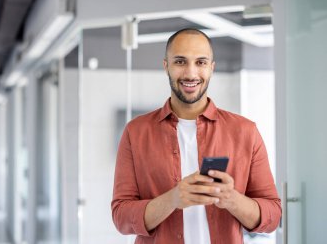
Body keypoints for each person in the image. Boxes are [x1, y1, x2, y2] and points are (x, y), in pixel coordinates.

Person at [111, 28, 281, 244]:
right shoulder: (135, 132)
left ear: (211, 68)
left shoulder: (246, 131)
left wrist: (231, 199)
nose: (191, 74)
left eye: (200, 62)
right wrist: (172, 199)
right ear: (166, 66)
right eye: (180, 62)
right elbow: (121, 216)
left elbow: (273, 215)